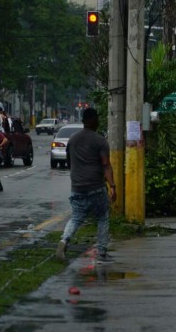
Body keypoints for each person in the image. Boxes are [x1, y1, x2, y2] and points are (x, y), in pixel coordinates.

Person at [56, 108, 116, 263]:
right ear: (94, 120)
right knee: (102, 218)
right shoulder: (100, 140)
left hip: (77, 187)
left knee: (76, 218)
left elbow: (69, 163)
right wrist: (112, 186)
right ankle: (102, 253)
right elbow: (106, 165)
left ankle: (64, 240)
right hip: (95, 187)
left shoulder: (73, 140)